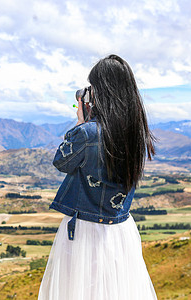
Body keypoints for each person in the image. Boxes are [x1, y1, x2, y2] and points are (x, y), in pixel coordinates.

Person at [38, 54, 157, 300]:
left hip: (85, 231)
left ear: (101, 91)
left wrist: (81, 122)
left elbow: (61, 161)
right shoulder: (137, 133)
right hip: (120, 230)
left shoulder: (88, 133)